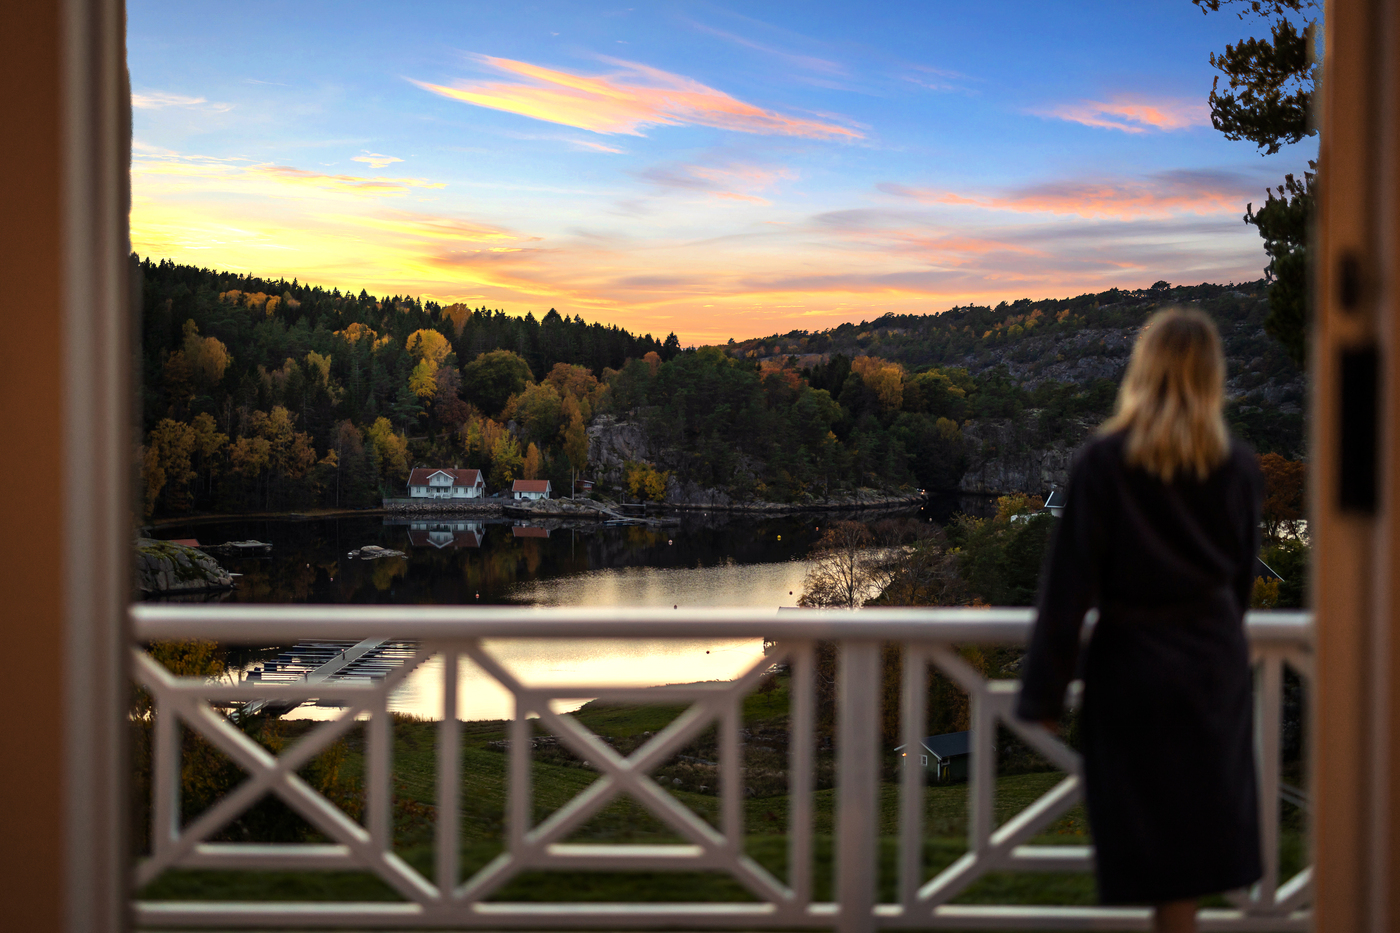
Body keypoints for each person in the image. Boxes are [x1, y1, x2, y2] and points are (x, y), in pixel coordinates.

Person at [1016, 307, 1264, 933]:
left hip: (1132, 672)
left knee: (1153, 845)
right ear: (1211, 376)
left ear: (1142, 371)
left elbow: (1068, 588)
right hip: (1211, 672)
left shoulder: (1103, 462)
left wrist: (1043, 693)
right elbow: (1240, 586)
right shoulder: (1237, 466)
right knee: (1192, 847)